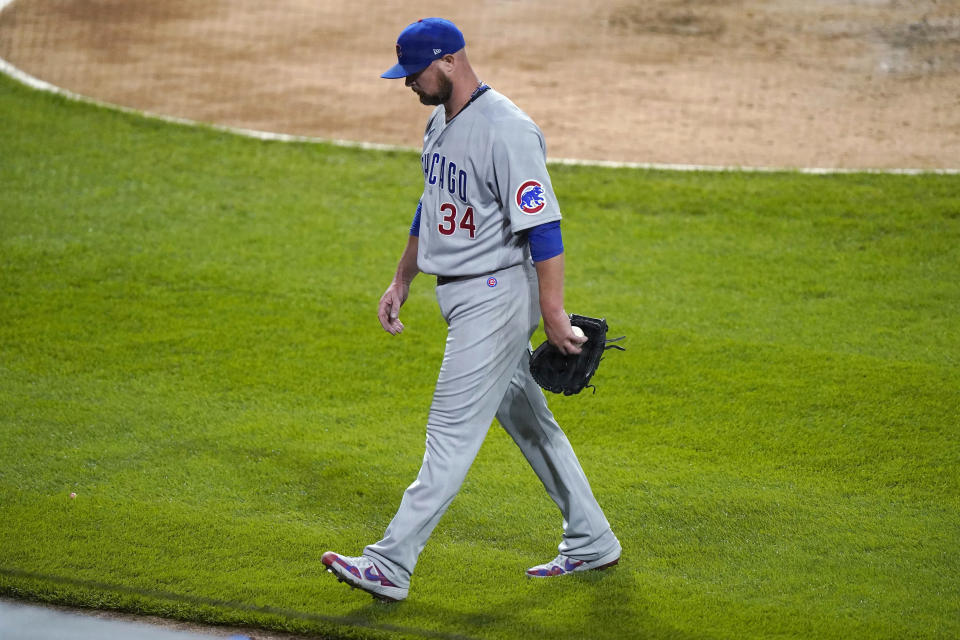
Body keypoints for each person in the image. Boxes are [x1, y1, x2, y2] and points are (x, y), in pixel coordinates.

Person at [321, 17, 620, 602]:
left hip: (496, 295)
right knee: (529, 420)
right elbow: (431, 203)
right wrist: (402, 276)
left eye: (415, 72)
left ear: (450, 61)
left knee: (449, 435)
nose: (408, 83)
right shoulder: (439, 121)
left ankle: (390, 562)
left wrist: (553, 314)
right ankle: (592, 538)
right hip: (462, 293)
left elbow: (545, 224)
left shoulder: (507, 129)